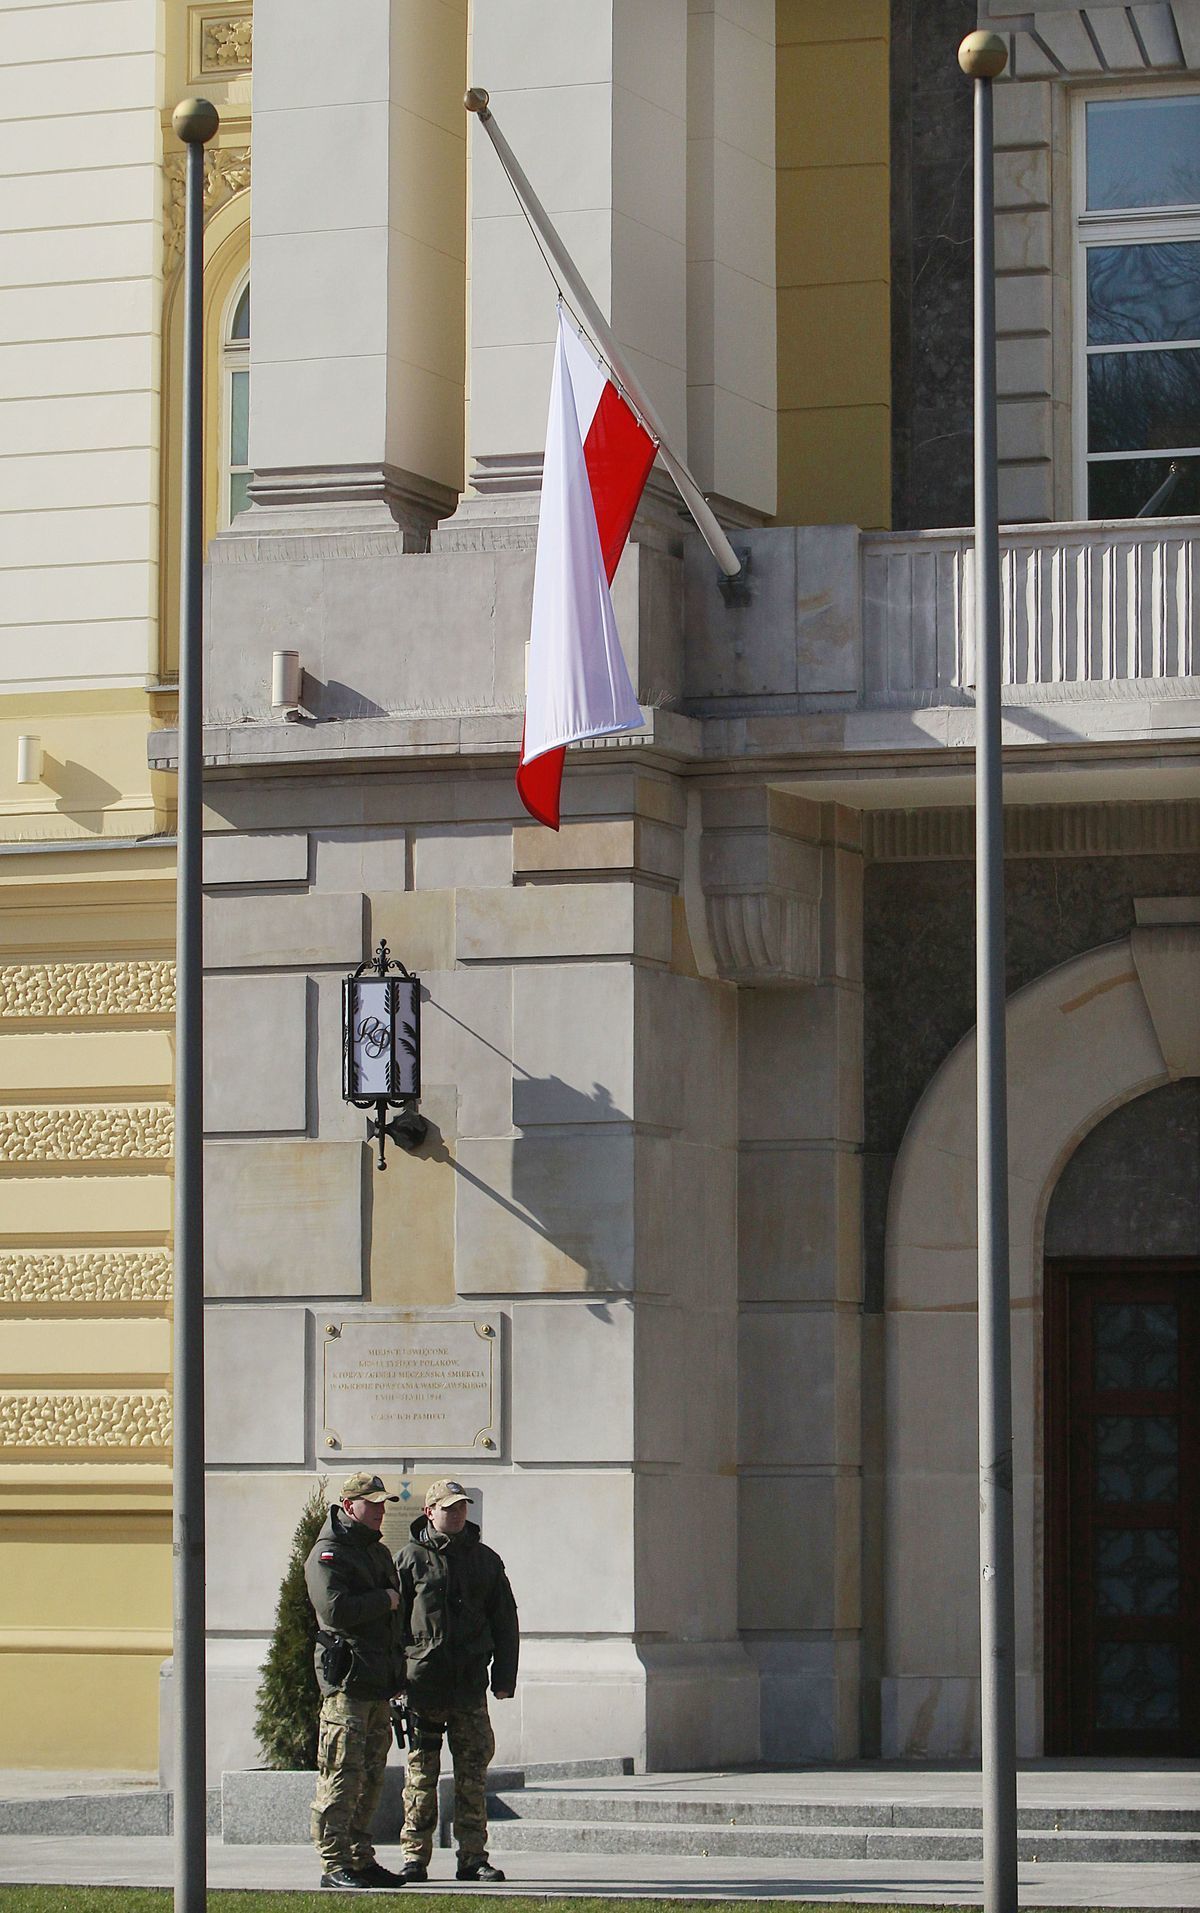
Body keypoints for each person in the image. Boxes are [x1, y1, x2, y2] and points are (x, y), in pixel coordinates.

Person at [394, 1478, 519, 1883]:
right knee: (420, 1774)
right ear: (429, 1512)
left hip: (468, 1685)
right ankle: (415, 1856)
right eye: (449, 1508)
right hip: (423, 1685)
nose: (458, 1513)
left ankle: (472, 1857)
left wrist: (504, 1677)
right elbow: (393, 1625)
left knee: (472, 1773)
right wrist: (395, 1679)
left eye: (462, 1506)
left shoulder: (485, 1560)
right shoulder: (409, 1559)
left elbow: (505, 1622)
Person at [305, 1471, 407, 1892]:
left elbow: (396, 1617)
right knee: (341, 1775)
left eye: (384, 1504)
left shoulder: (377, 1552)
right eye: (374, 1504)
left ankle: (361, 1858)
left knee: (370, 1776)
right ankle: (334, 1863)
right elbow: (335, 1610)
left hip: (376, 1682)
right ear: (350, 1507)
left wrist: (398, 1676)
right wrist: (383, 1599)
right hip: (347, 1682)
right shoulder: (328, 1553)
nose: (381, 1511)